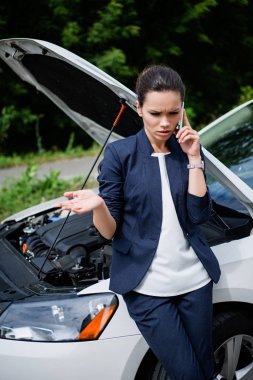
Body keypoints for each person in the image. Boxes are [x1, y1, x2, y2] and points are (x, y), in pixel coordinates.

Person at [57, 65, 221, 380]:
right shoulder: (120, 155)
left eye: (173, 113)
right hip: (147, 289)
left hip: (195, 282)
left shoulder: (184, 150)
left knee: (205, 367)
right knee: (188, 374)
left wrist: (194, 158)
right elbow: (109, 232)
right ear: (138, 107)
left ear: (182, 109)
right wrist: (99, 206)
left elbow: (199, 215)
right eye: (155, 113)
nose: (165, 123)